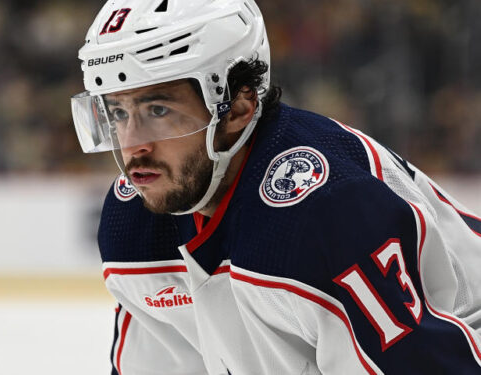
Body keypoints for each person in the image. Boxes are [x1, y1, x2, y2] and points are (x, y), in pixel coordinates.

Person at [70, 1, 481, 373]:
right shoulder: (134, 225)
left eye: (158, 109)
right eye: (117, 112)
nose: (131, 145)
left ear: (238, 107)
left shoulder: (322, 213)